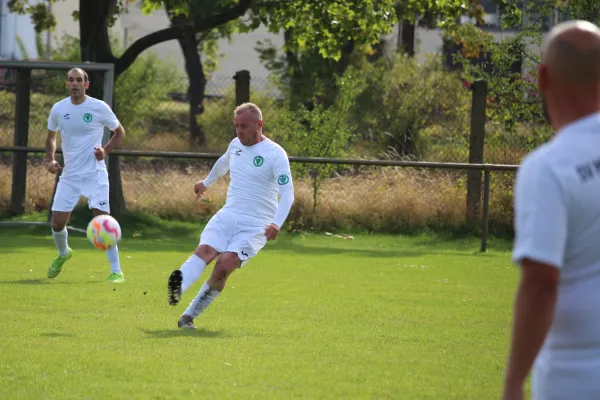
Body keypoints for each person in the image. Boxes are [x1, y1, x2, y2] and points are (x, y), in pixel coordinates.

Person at [502, 20, 600, 400]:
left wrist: (513, 381)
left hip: (575, 377)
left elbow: (542, 282)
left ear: (542, 77)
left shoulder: (549, 167)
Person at [167, 102, 295, 329]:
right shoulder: (235, 145)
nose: (239, 131)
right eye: (236, 126)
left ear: (259, 124)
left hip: (256, 225)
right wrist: (205, 183)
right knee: (205, 251)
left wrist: (276, 223)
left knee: (224, 265)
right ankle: (178, 286)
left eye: (244, 126)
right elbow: (223, 163)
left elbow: (287, 194)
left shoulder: (276, 154)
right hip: (228, 215)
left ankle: (188, 316)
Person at [45, 68, 126, 283]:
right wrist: (50, 159)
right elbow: (51, 137)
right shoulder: (59, 109)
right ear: (66, 84)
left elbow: (120, 133)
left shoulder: (98, 107)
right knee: (57, 223)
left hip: (94, 174)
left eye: (79, 80)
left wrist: (105, 151)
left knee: (103, 221)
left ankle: (116, 271)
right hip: (70, 175)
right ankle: (64, 253)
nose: (74, 84)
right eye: (71, 80)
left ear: (86, 85)